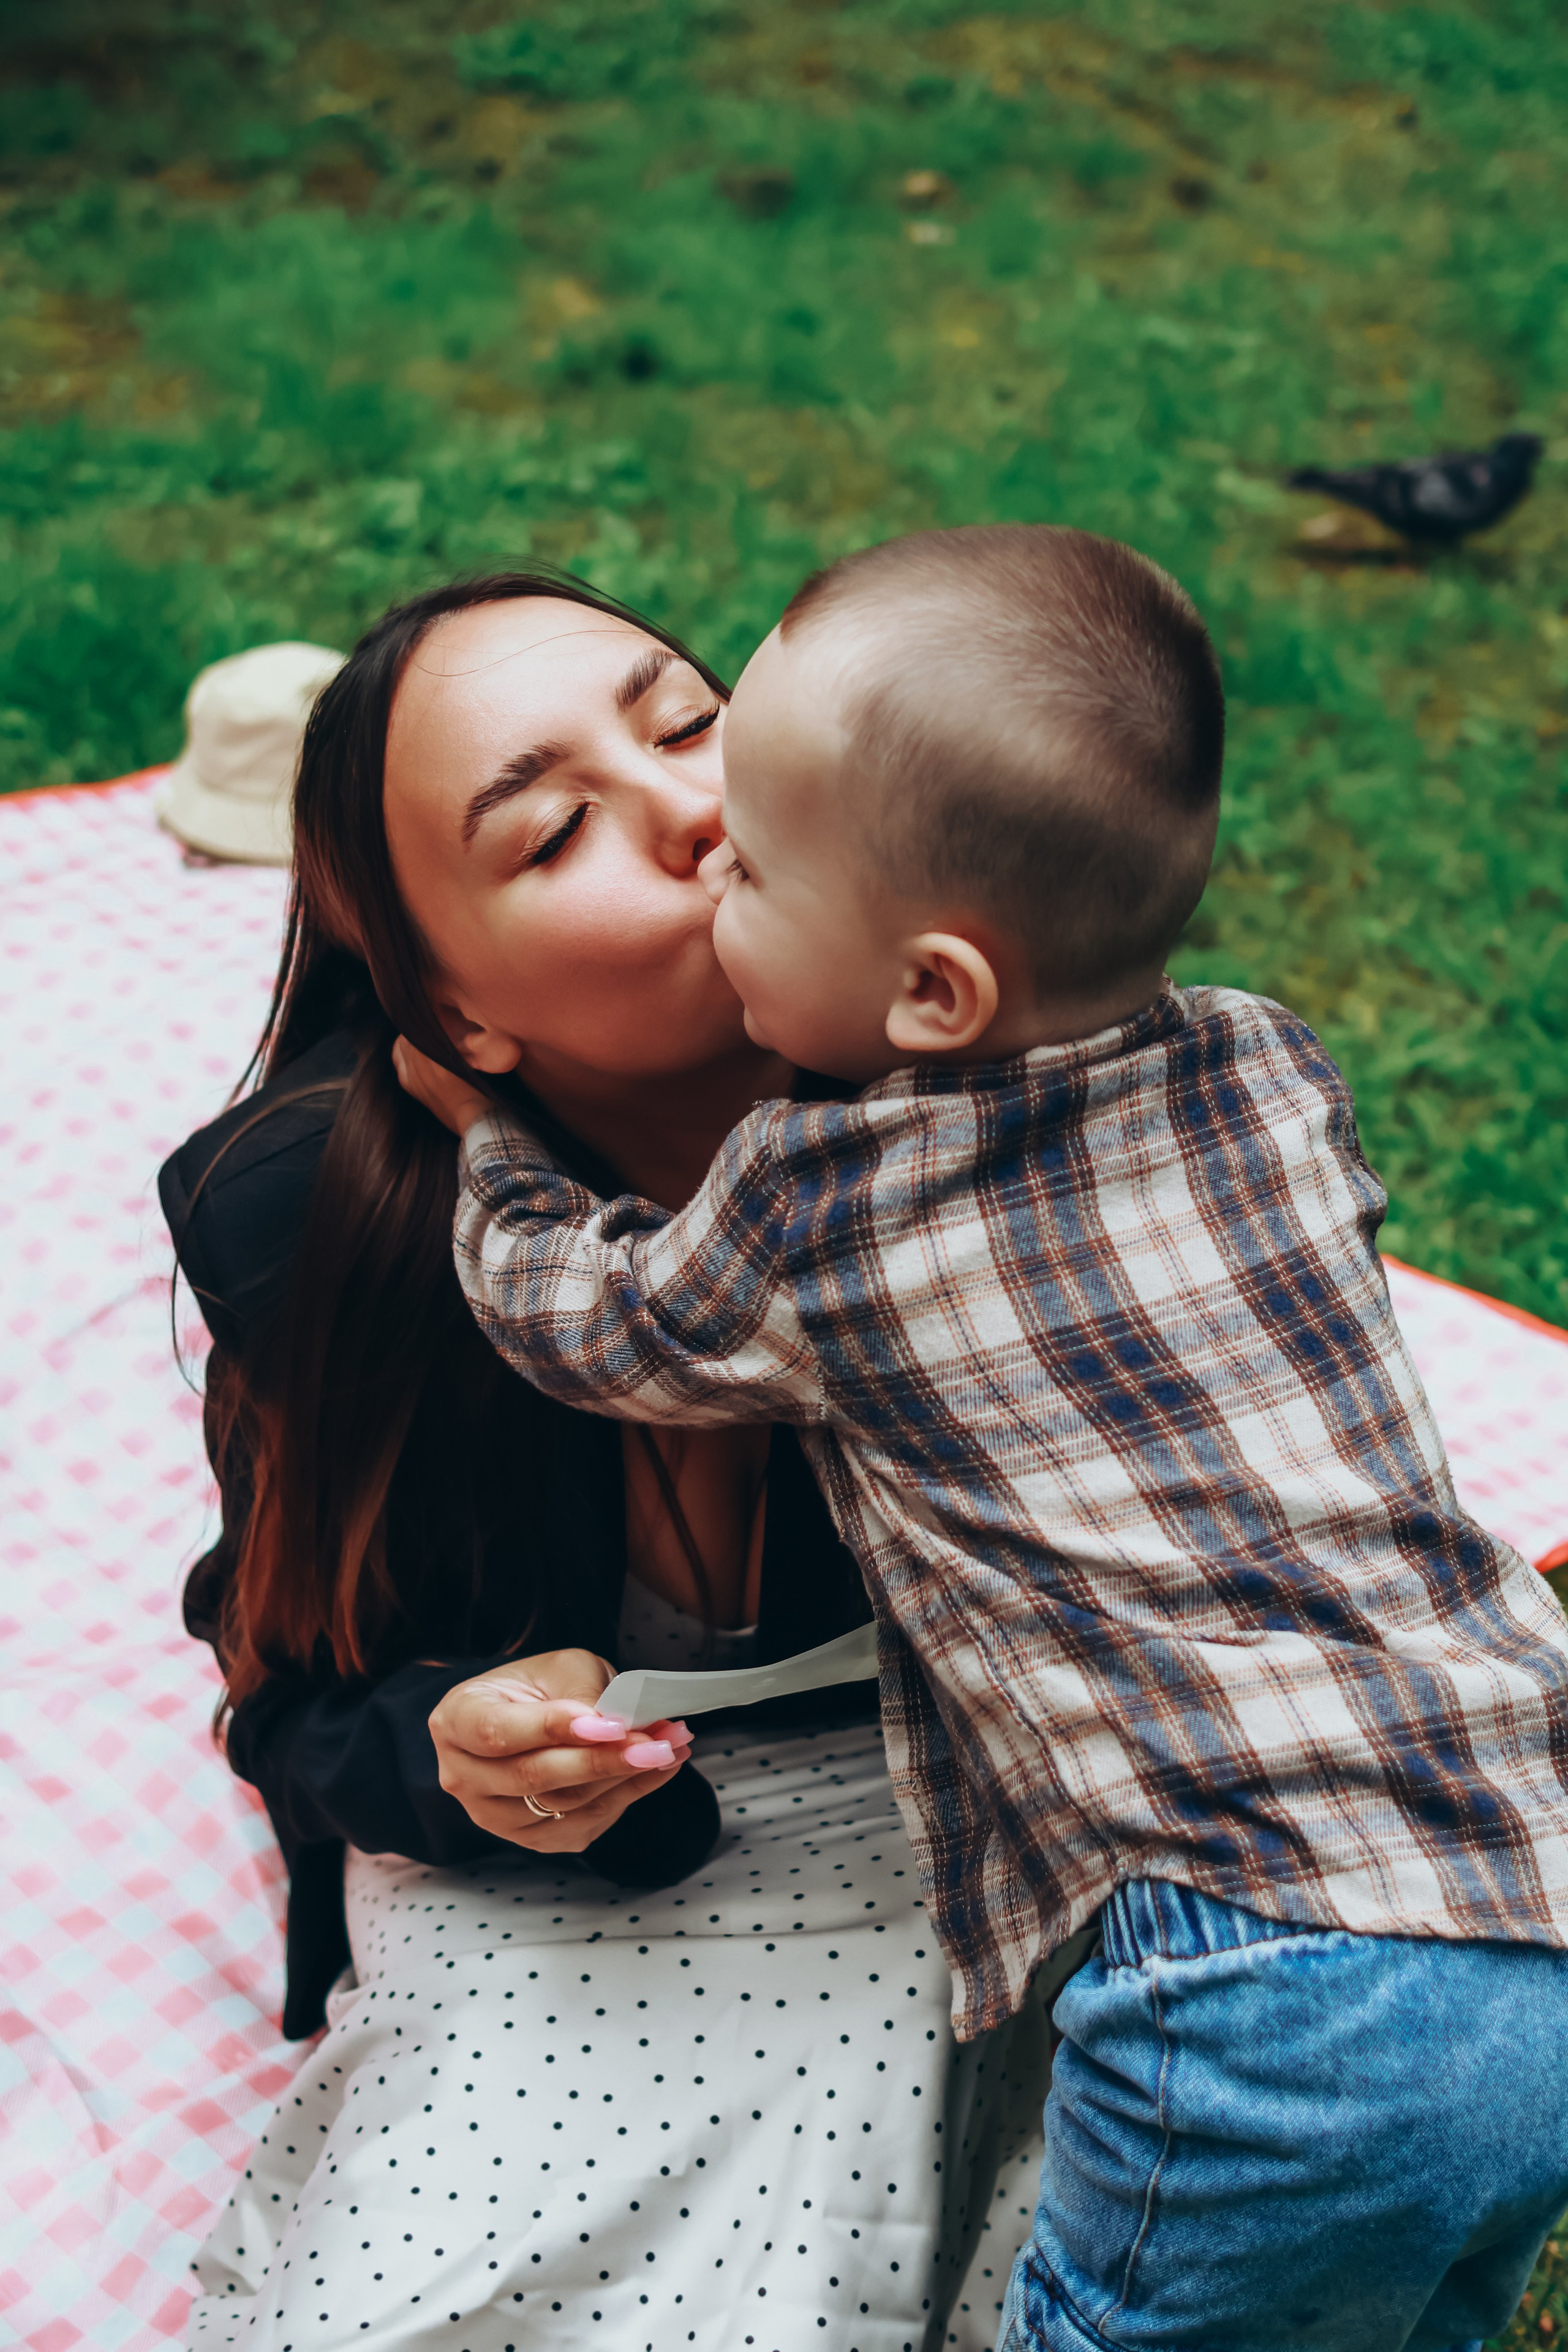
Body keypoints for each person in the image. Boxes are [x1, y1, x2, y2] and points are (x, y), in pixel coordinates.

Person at [397, 526, 1568, 2352]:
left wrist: (489, 1145)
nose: (713, 859)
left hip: (1260, 1968)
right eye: (558, 827)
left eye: (757, 859)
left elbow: (585, 1318)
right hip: (1523, 1881)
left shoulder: (822, 1201)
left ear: (932, 996)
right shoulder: (1270, 1064)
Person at [164, 567, 1049, 2352]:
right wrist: (455, 1752)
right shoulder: (330, 1234)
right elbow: (288, 1698)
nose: (704, 814)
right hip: (560, 1898)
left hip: (972, 1830)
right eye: (558, 823)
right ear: (462, 1016)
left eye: (694, 725)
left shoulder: (1019, 1104)